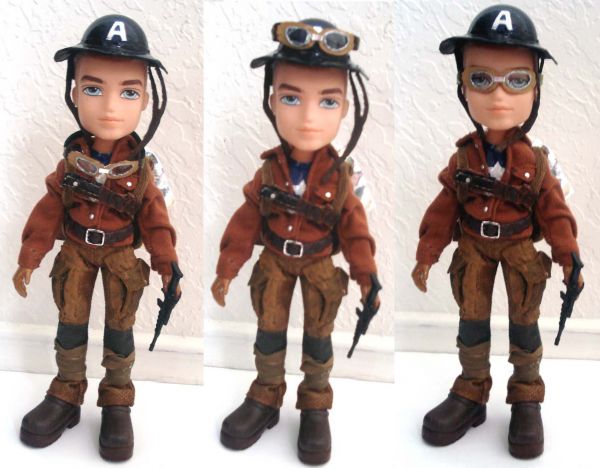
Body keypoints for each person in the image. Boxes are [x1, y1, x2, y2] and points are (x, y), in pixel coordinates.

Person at [412, 5, 583, 459]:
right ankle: (471, 390)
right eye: (481, 78)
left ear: (536, 88)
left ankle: (526, 395)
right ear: (463, 86)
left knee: (524, 323)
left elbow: (556, 214)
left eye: (517, 80)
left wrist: (568, 258)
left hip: (520, 249)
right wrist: (427, 252)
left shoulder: (537, 163)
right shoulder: (464, 159)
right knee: (471, 319)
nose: (499, 95)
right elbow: (442, 209)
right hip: (473, 247)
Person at [211, 18, 380, 465]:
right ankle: (266, 395)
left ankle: (315, 404)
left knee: (318, 335)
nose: (308, 117)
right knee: (269, 329)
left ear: (345, 109)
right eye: (291, 98)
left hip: (320, 264)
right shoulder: (269, 171)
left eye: (328, 101)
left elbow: (356, 231)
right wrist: (227, 268)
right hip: (274, 263)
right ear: (272, 101)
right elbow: (245, 221)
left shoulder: (342, 177)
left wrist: (367, 277)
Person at [12, 14, 179, 461]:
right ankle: (66, 392)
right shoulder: (72, 162)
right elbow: (49, 210)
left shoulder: (141, 170)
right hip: (76, 253)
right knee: (70, 322)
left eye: (129, 92)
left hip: (121, 255)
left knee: (120, 328)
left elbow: (157, 221)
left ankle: (117, 399)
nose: (110, 106)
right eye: (92, 88)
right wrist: (30, 255)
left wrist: (167, 265)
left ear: (146, 100)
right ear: (73, 94)